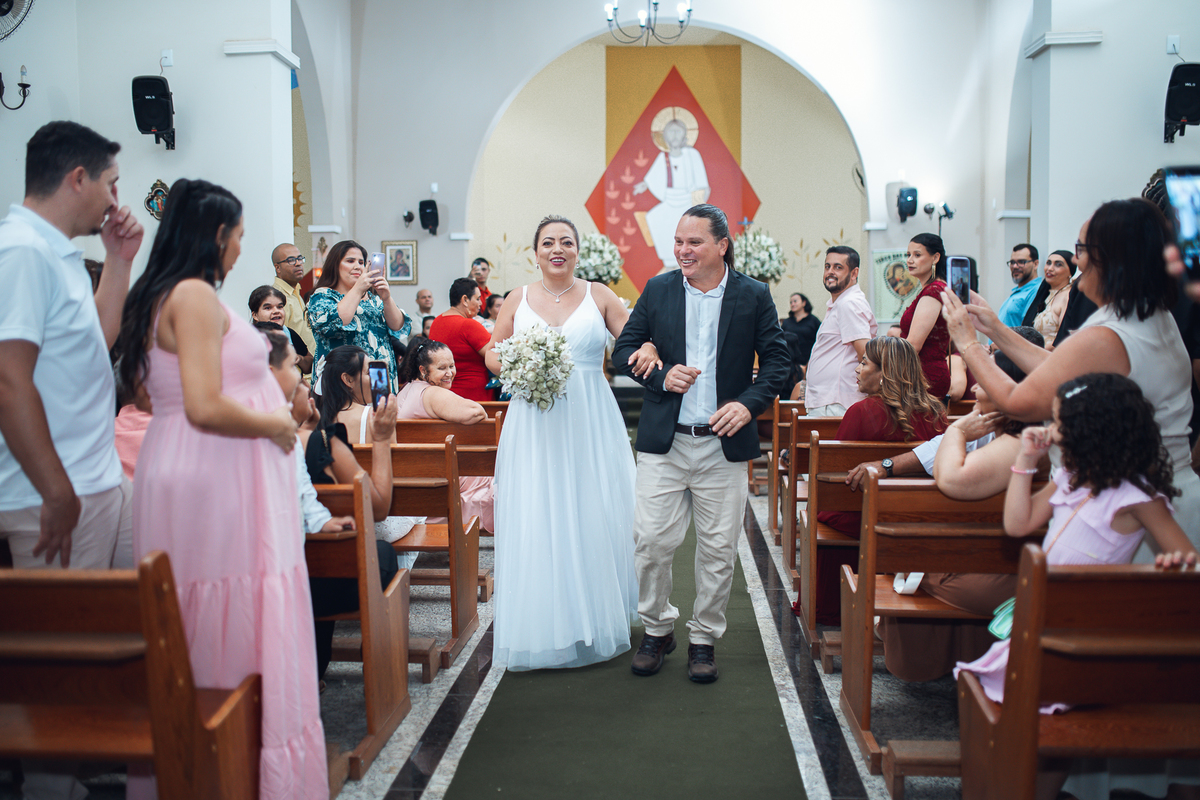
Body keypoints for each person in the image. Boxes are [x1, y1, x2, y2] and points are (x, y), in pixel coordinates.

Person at [114, 178, 327, 798]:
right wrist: (276, 425)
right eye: (236, 236)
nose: (238, 249)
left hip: (192, 466)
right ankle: (233, 769)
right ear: (215, 234)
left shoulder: (159, 294)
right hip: (213, 472)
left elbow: (153, 395)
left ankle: (217, 764)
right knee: (226, 614)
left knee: (204, 612)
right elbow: (203, 405)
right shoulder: (192, 295)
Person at [955, 373, 1196, 800]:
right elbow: (1018, 524)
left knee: (1037, 731)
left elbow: (1188, 561)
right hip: (1042, 626)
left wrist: (1174, 563)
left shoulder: (1136, 497)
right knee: (1021, 732)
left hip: (1078, 638)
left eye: (1059, 421)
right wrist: (1026, 459)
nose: (1052, 428)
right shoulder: (1071, 477)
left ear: (1090, 429)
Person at [0, 120, 143, 800]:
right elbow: (8, 380)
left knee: (122, 628)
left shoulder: (56, 252)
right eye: (111, 184)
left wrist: (119, 261)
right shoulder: (20, 252)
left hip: (98, 478)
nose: (117, 199)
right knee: (59, 656)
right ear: (77, 178)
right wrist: (55, 491)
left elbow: (97, 341)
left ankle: (103, 750)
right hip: (53, 493)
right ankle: (49, 787)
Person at [942, 198, 1200, 557]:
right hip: (1156, 494)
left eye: (1081, 249)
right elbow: (1059, 367)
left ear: (1110, 258)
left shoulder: (1108, 336)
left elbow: (1019, 402)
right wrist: (995, 329)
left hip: (1127, 513)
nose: (1077, 262)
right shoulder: (1149, 314)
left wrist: (967, 343)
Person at [613, 203, 791, 683]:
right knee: (650, 541)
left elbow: (779, 363)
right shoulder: (659, 289)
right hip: (666, 442)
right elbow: (624, 350)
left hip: (721, 445)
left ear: (721, 245)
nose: (683, 250)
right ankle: (657, 628)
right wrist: (660, 374)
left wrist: (748, 405)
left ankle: (704, 639)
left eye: (694, 242)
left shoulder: (753, 295)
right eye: (678, 242)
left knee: (717, 549)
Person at [483, 214, 660, 671]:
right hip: (534, 419)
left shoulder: (599, 295)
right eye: (548, 242)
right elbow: (491, 351)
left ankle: (596, 614)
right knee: (540, 509)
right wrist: (518, 365)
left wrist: (648, 349)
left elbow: (635, 338)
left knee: (591, 506)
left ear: (578, 251)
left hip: (589, 417)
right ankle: (547, 619)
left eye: (566, 241)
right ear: (535, 252)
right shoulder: (517, 298)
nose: (557, 249)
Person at [811, 337, 947, 624]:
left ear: (885, 372)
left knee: (821, 510)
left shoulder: (861, 412)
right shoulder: (936, 413)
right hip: (918, 516)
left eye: (863, 363)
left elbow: (839, 481)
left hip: (863, 517)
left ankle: (834, 601)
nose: (857, 369)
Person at [842, 326, 1043, 492]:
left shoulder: (1021, 442)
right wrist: (887, 465)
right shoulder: (938, 411)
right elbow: (935, 447)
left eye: (983, 383)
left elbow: (951, 479)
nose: (974, 388)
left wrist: (956, 431)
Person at [396, 339, 494, 531]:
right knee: (496, 476)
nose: (449, 373)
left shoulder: (408, 388)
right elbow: (475, 412)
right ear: (423, 370)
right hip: (435, 474)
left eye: (451, 366)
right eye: (442, 368)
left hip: (416, 470)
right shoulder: (431, 393)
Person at [307, 239, 410, 393]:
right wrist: (358, 288)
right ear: (335, 265)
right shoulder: (323, 296)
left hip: (379, 375)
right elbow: (337, 321)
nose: (357, 266)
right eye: (350, 261)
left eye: (361, 262)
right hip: (344, 378)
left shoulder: (374, 300)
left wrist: (386, 298)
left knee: (381, 407)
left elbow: (398, 326)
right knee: (345, 409)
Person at [803, 246, 878, 415]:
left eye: (838, 267)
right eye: (827, 266)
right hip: (830, 401)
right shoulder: (841, 303)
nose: (830, 272)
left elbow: (865, 353)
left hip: (838, 402)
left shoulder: (848, 303)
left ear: (854, 273)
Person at [633, 116, 711, 272]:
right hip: (670, 200)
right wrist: (644, 184)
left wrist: (698, 205)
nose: (674, 136)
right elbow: (653, 177)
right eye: (671, 132)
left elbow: (702, 184)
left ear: (684, 135)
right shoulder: (664, 157)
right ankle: (669, 262)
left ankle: (687, 260)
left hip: (688, 202)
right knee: (653, 217)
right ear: (665, 137)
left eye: (678, 132)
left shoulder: (692, 155)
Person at [888, 233, 951, 398]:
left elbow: (914, 345)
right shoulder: (932, 289)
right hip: (919, 372)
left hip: (925, 375)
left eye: (917, 255)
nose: (909, 260)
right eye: (908, 255)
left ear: (935, 257)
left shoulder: (934, 290)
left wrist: (886, 368)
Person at [429, 277, 492, 402]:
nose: (481, 303)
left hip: (445, 395)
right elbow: (496, 356)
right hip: (473, 396)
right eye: (477, 299)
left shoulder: (436, 322)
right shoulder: (469, 325)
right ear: (465, 300)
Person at [249, 284, 313, 373]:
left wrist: (299, 359)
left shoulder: (289, 333)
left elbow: (310, 365)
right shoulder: (249, 339)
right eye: (268, 308)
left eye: (280, 307)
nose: (276, 311)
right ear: (255, 315)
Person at [271, 241, 317, 362]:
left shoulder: (295, 292)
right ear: (277, 268)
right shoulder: (277, 297)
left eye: (299, 258)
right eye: (291, 260)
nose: (298, 263)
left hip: (311, 365)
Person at [1021, 249, 1073, 347]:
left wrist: (1033, 352)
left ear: (1070, 272)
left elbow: (1065, 338)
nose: (1050, 268)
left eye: (1058, 264)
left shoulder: (1068, 296)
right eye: (1048, 263)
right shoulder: (1045, 294)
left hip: (1052, 354)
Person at [995, 243, 1042, 327]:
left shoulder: (1036, 291)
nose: (1015, 266)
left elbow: (1027, 329)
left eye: (1021, 262)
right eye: (1012, 262)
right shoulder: (1019, 291)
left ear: (1035, 264)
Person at [780, 292, 820, 368]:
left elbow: (820, 340)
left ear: (804, 303)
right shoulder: (786, 322)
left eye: (795, 301)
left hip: (810, 362)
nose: (792, 304)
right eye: (791, 302)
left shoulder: (813, 321)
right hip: (789, 364)